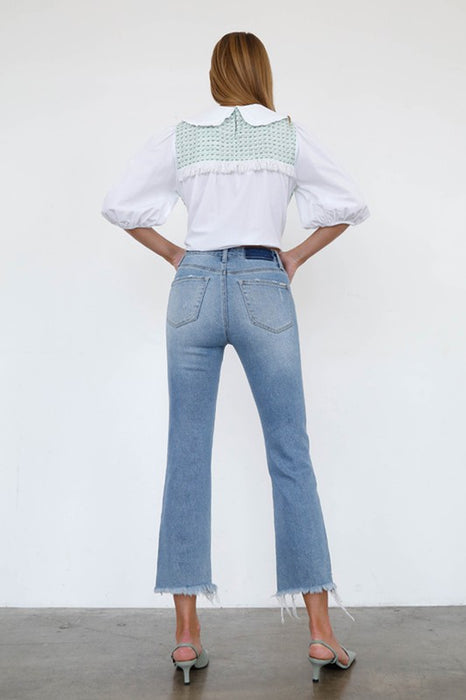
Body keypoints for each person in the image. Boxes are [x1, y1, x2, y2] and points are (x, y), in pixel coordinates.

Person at [101, 31, 370, 685]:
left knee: (186, 455)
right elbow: (349, 204)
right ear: (260, 72)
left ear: (217, 73)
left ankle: (186, 637)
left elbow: (119, 204)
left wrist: (177, 254)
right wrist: (295, 256)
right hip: (261, 284)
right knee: (290, 454)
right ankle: (321, 634)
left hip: (193, 287)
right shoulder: (286, 135)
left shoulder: (183, 136)